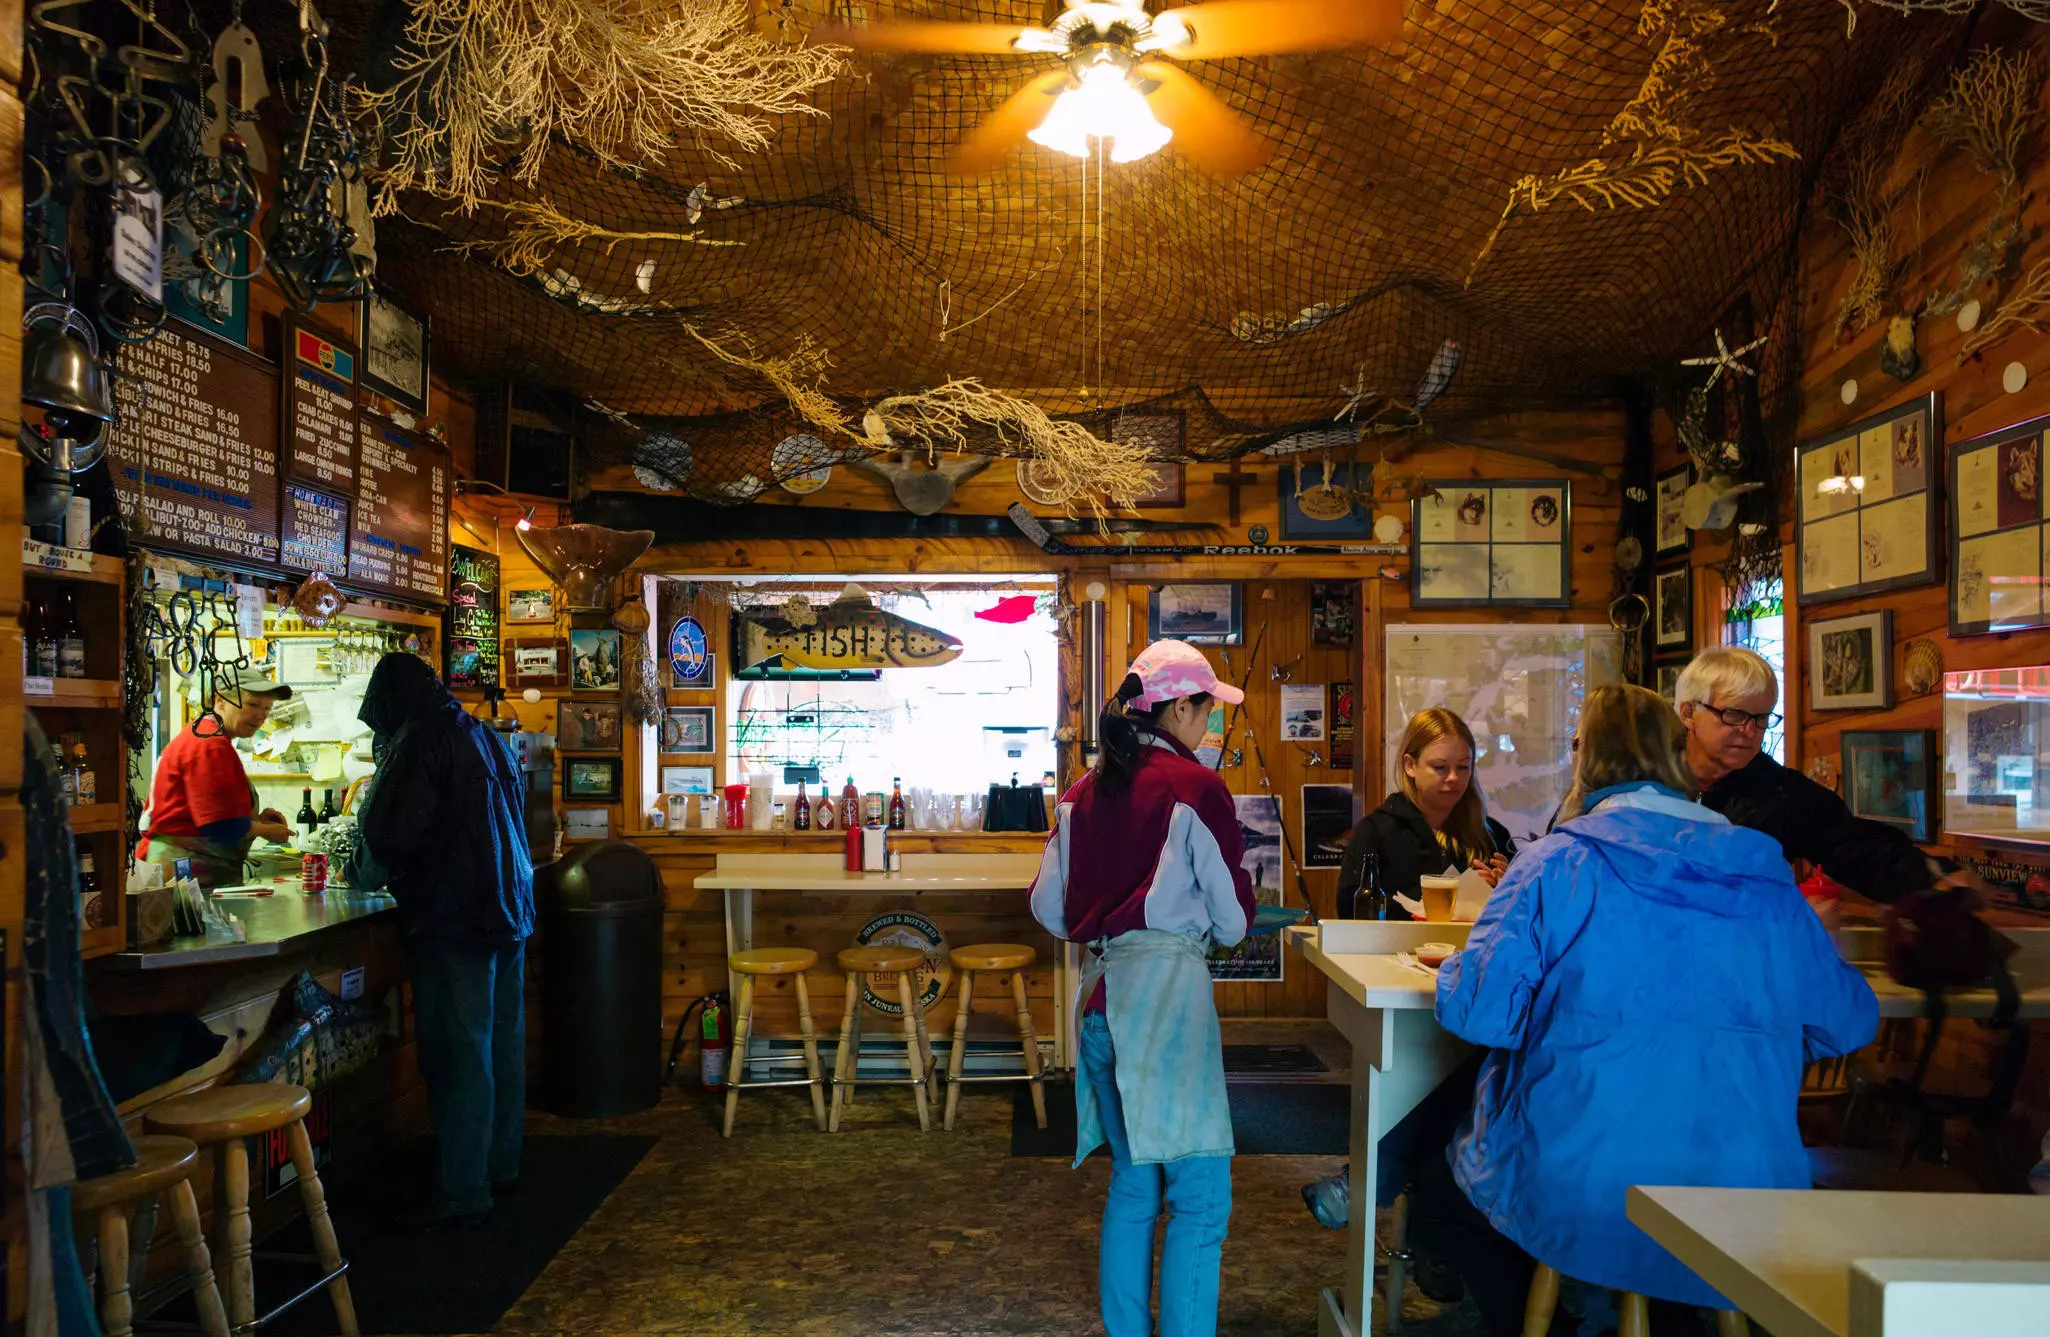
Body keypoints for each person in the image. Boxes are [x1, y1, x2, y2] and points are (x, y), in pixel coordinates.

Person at [1422, 683, 1878, 1336]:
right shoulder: (1767, 874)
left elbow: (1479, 1014)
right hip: (1741, 1179)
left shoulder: (1556, 863)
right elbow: (1847, 1021)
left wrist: (1466, 967)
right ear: (1679, 758)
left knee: (1450, 1197)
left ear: (1586, 761)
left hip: (1580, 1171)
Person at [1029, 639, 1256, 1337]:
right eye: (1207, 710)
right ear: (1178, 708)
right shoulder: (1196, 789)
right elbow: (1234, 920)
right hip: (1163, 1006)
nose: (1211, 727)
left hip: (1100, 998)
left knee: (1133, 1182)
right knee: (1199, 1197)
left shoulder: (1081, 793)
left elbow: (1046, 906)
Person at [354, 653, 535, 1231]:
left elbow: (387, 840)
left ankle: (464, 1189)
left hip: (455, 918)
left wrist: (356, 871)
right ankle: (500, 1166)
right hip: (510, 910)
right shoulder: (482, 733)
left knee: (461, 1056)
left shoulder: (418, 742)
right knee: (500, 1045)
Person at [1673, 647, 1962, 902]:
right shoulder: (1645, 778)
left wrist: (1934, 877)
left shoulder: (1780, 792)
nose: (1749, 732)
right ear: (1688, 713)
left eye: (1761, 719)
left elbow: (1857, 848)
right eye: (1734, 715)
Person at [1336, 707, 1516, 918]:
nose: (1452, 777)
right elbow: (1351, 907)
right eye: (1440, 767)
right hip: (1400, 950)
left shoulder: (1493, 834)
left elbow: (1523, 918)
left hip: (1471, 950)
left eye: (1463, 767)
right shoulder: (1377, 831)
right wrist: (1448, 898)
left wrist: (1511, 886)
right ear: (1410, 765)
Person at [137, 671, 295, 889]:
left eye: (267, 708)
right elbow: (220, 826)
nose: (261, 715)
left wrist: (256, 820)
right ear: (220, 701)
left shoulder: (206, 734)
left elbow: (204, 814)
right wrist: (266, 830)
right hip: (183, 872)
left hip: (188, 865)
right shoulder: (209, 744)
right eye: (252, 704)